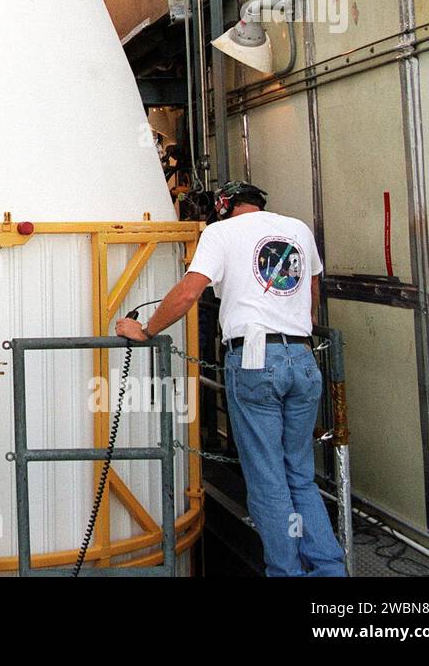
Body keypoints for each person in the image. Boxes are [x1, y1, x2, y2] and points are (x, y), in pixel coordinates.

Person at [116, 180, 346, 577]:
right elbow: (312, 286)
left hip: (257, 359)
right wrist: (299, 321)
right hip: (303, 359)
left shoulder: (220, 233)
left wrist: (147, 330)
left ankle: (286, 573)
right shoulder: (297, 229)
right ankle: (329, 571)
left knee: (268, 480)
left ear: (223, 207)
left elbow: (189, 293)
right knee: (300, 475)